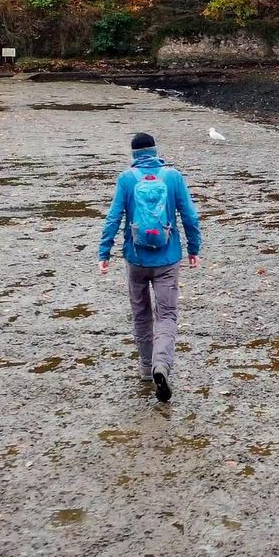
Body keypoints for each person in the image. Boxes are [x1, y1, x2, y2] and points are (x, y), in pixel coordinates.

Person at [98, 131, 202, 403]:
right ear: (155, 151)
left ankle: (146, 368)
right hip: (168, 259)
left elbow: (113, 217)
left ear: (134, 155)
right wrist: (194, 249)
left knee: (141, 313)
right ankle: (161, 365)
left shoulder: (126, 179)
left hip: (136, 259)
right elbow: (190, 216)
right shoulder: (173, 177)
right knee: (166, 315)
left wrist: (104, 252)